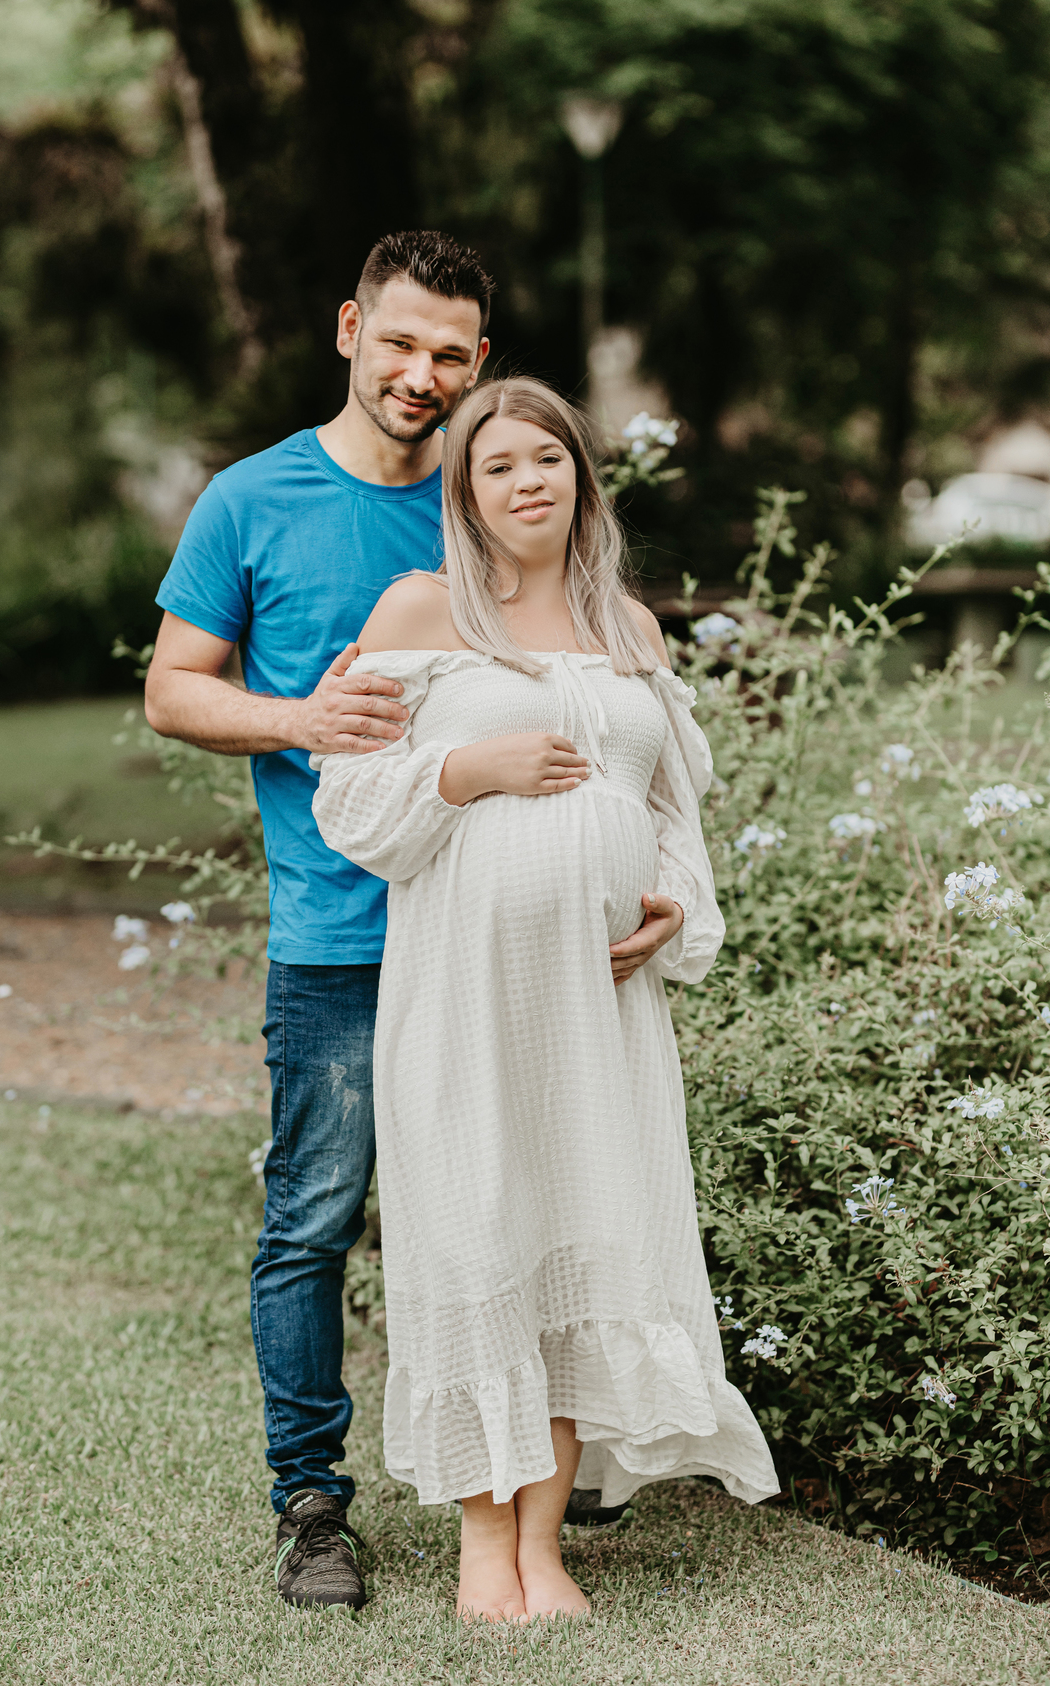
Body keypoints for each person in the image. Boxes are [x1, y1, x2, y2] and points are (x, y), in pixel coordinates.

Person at [311, 377, 779, 1622]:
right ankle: (483, 1545)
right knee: (478, 1234)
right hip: (466, 997)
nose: (528, 481)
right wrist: (470, 767)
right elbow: (348, 801)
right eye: (497, 465)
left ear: (582, 474)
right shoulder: (421, 610)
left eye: (548, 458)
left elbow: (672, 813)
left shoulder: (628, 626)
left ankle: (544, 1544)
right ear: (465, 493)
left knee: (578, 1243)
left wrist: (673, 903)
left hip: (600, 1012)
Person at [144, 231, 492, 1611]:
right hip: (337, 942)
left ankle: (528, 1460)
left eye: (450, 354)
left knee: (499, 1202)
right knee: (313, 1223)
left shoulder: (491, 500)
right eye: (399, 342)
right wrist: (300, 718)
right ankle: (312, 1504)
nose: (421, 374)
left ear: (481, 364)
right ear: (350, 329)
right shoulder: (252, 498)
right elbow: (174, 688)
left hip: (488, 935)